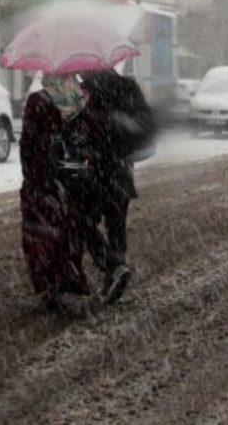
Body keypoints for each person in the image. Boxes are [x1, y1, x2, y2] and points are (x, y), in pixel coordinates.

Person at [80, 69, 156, 304]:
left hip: (93, 169)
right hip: (121, 168)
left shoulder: (85, 92)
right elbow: (147, 124)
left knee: (83, 219)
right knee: (116, 223)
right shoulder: (127, 86)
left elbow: (77, 131)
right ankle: (117, 266)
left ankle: (110, 267)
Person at [19, 73, 92, 311]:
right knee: (70, 231)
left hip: (43, 179)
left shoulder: (37, 101)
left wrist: (31, 175)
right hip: (71, 178)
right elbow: (83, 140)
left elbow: (27, 143)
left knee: (41, 236)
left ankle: (50, 286)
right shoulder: (78, 100)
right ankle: (68, 283)